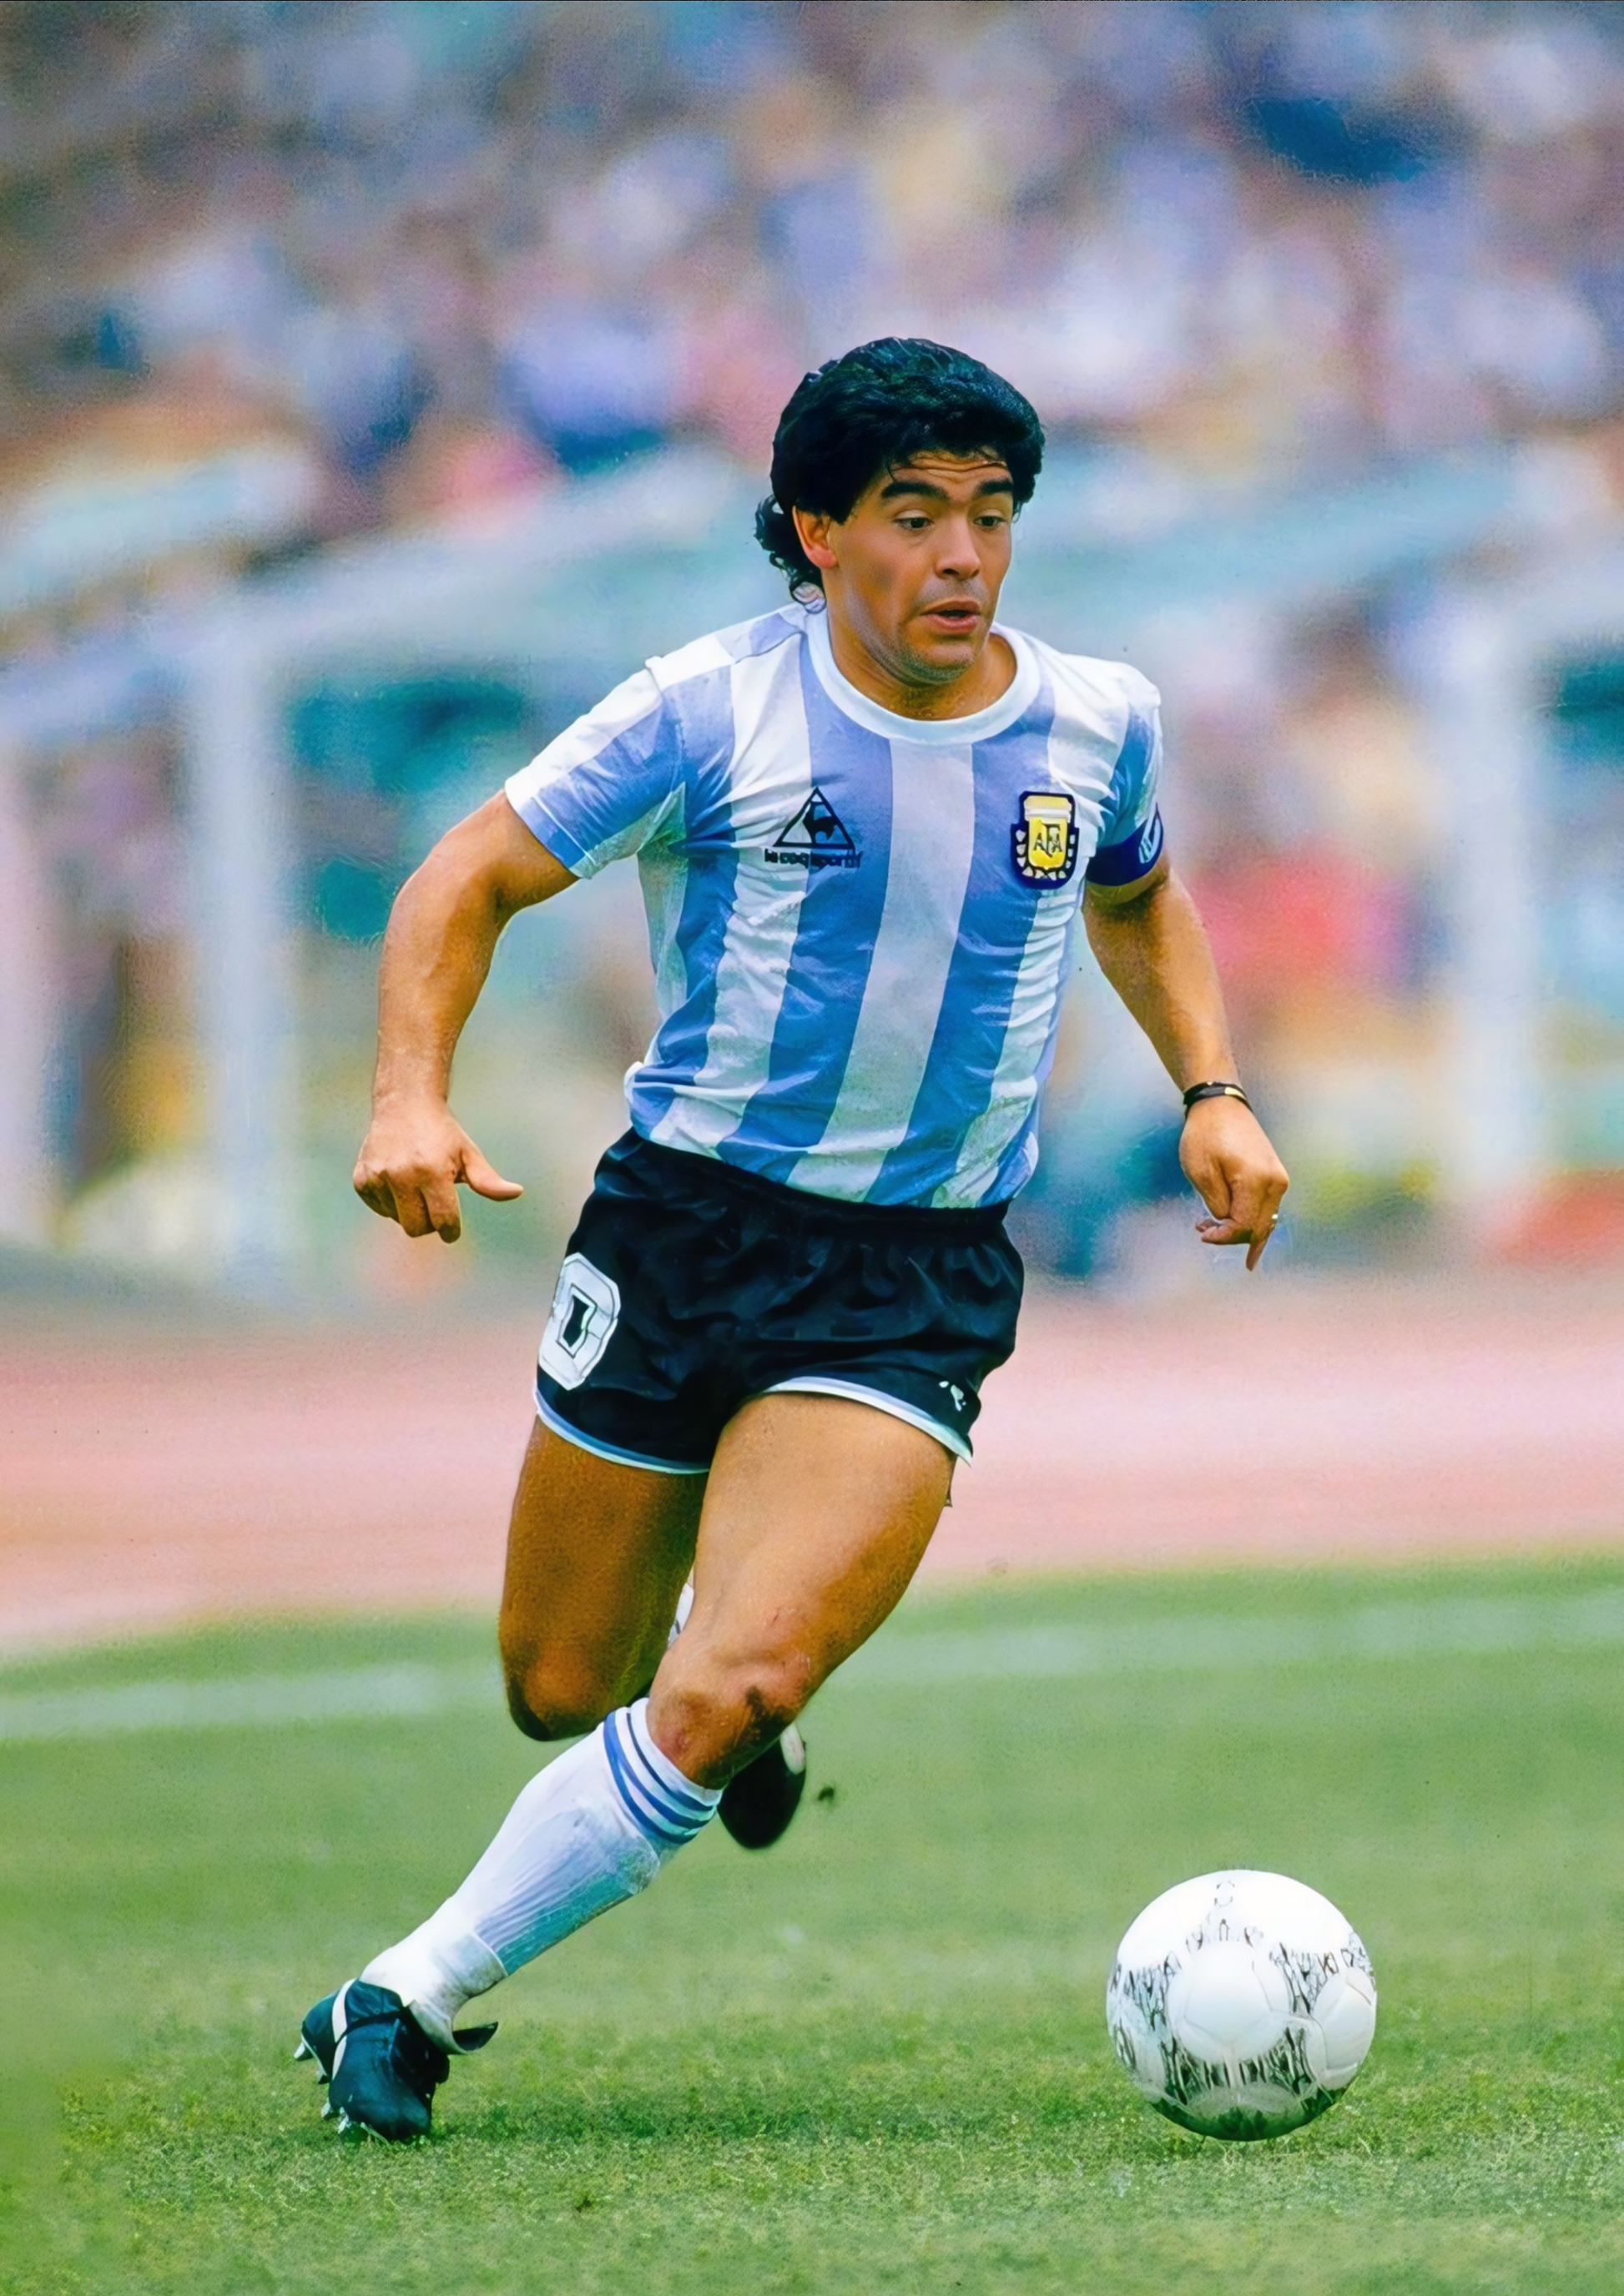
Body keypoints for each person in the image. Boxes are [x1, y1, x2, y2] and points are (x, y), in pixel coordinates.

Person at [294, 338, 1289, 2140]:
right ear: (817, 532)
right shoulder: (702, 710)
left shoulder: (1099, 720)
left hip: (911, 1273)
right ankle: (728, 1679)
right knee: (558, 1686)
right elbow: (466, 876)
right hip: (682, 1230)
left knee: (734, 1677)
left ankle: (400, 1993)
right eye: (912, 514)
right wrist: (407, 1097)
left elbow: (1137, 894)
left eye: (990, 513)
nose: (961, 556)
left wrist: (1210, 1087)